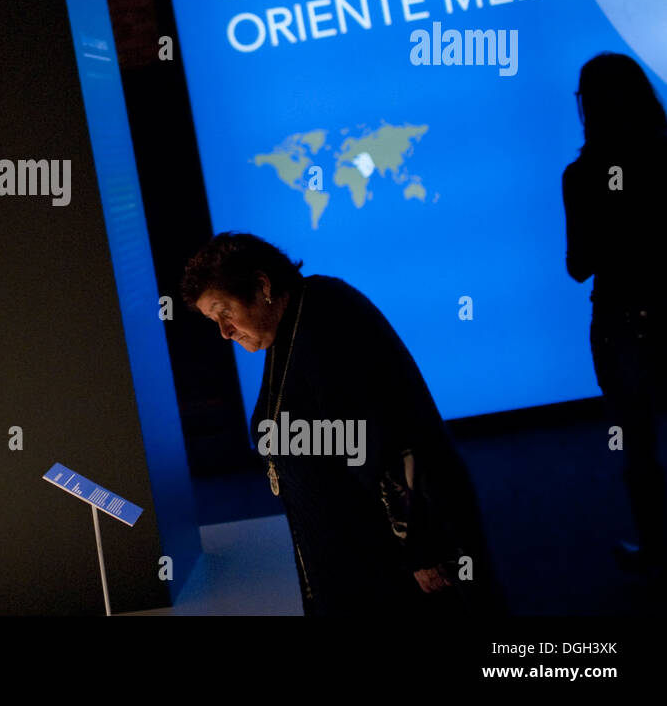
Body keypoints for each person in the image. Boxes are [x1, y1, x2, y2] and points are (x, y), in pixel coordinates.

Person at [182, 232, 504, 614]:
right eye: (213, 320)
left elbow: (389, 439)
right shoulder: (283, 328)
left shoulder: (327, 320)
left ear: (262, 286)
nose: (224, 331)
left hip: (391, 557)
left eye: (225, 312)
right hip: (341, 554)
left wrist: (423, 548)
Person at [562, 52, 667, 578]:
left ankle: (657, 553)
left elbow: (579, 265)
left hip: (622, 323)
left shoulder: (581, 176)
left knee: (639, 446)